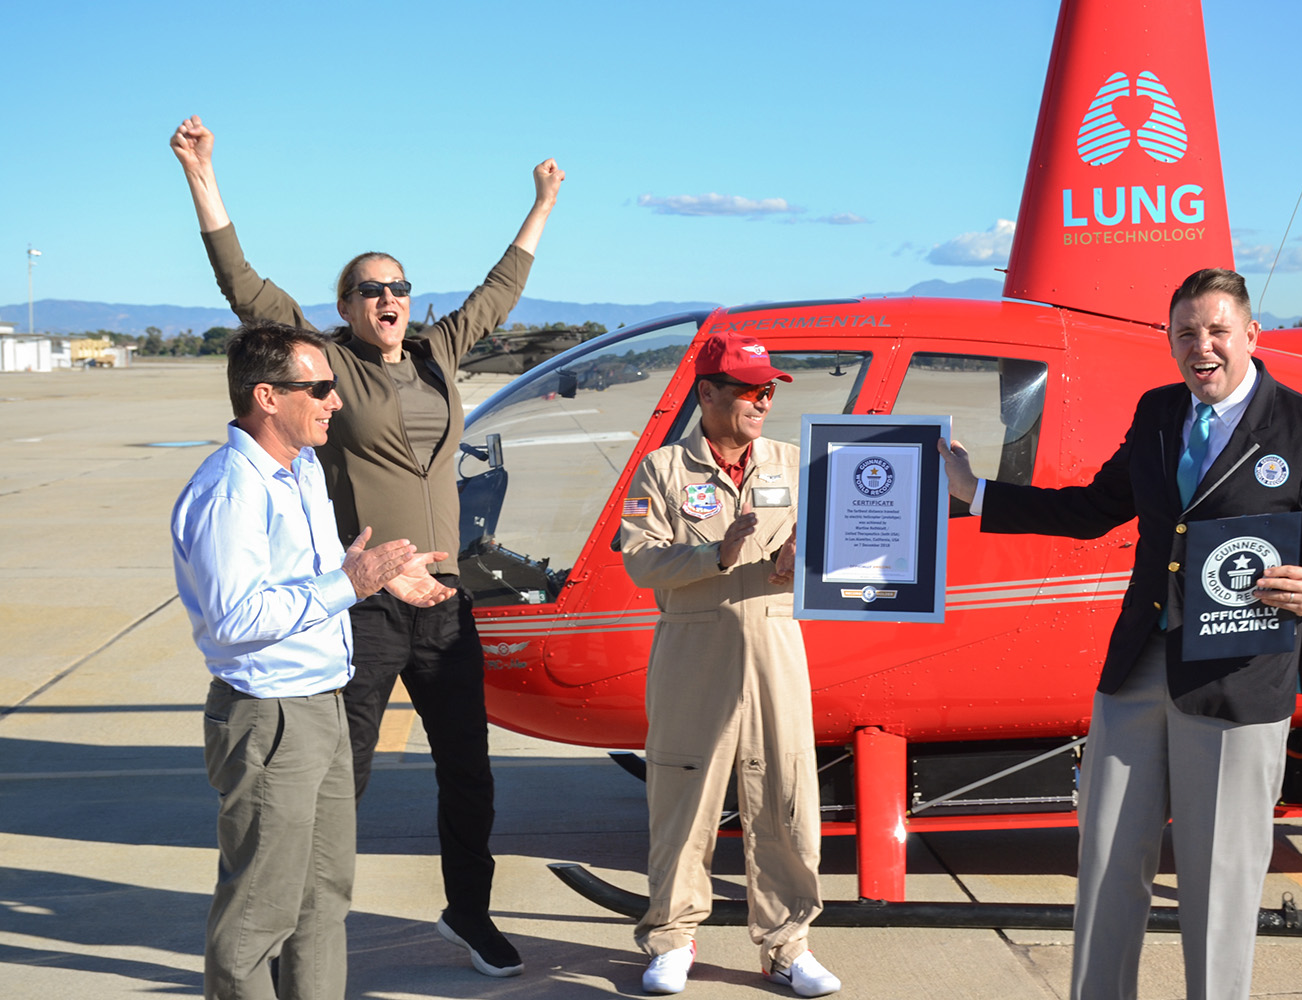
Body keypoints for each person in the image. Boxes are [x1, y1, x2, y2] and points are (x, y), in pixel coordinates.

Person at [170, 114, 563, 977]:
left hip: (445, 601)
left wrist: (541, 205)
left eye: (398, 285)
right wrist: (204, 178)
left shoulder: (434, 353)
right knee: (335, 778)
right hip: (363, 601)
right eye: (369, 288)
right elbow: (246, 290)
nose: (387, 297)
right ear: (345, 307)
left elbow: (497, 296)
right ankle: (299, 934)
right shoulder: (329, 369)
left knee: (469, 771)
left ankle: (469, 912)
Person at [939, 268, 1302, 1000]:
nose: (1201, 347)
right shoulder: (1158, 413)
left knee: (1217, 885)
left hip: (1237, 680)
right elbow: (1094, 509)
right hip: (1140, 667)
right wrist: (972, 490)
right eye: (1185, 334)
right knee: (1107, 862)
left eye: (1216, 331)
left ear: (1250, 336)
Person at [172, 323, 454, 1000]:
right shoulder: (231, 491)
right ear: (267, 396)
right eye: (320, 388)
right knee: (257, 918)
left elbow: (307, 576)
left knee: (324, 901)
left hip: (324, 704)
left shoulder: (299, 470)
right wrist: (347, 586)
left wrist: (379, 575)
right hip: (271, 718)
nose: (335, 401)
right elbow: (236, 619)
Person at [618, 332, 842, 997]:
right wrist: (717, 552)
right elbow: (638, 558)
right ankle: (672, 938)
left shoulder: (795, 464)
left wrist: (802, 557)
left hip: (776, 645)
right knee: (683, 799)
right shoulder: (661, 471)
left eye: (769, 390)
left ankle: (786, 946)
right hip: (695, 648)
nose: (762, 400)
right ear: (708, 393)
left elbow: (834, 549)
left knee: (786, 798)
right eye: (749, 389)